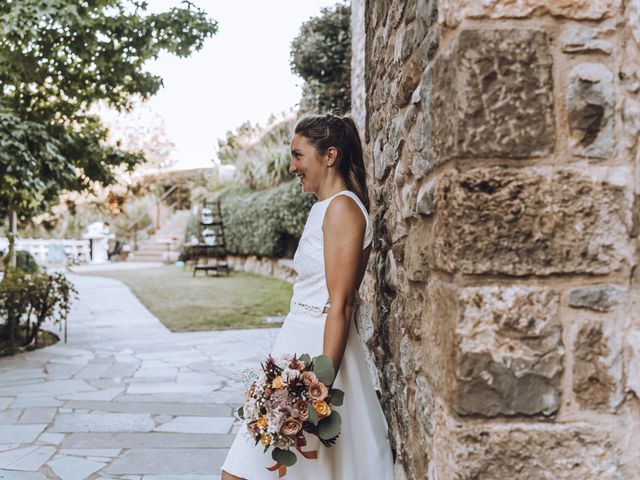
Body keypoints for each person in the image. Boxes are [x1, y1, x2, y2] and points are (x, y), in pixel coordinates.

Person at [221, 113, 395, 479]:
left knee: (244, 472)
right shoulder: (325, 208)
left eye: (299, 155)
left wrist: (318, 389)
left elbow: (342, 302)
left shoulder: (343, 208)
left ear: (329, 155)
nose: (292, 166)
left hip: (316, 356)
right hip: (294, 347)